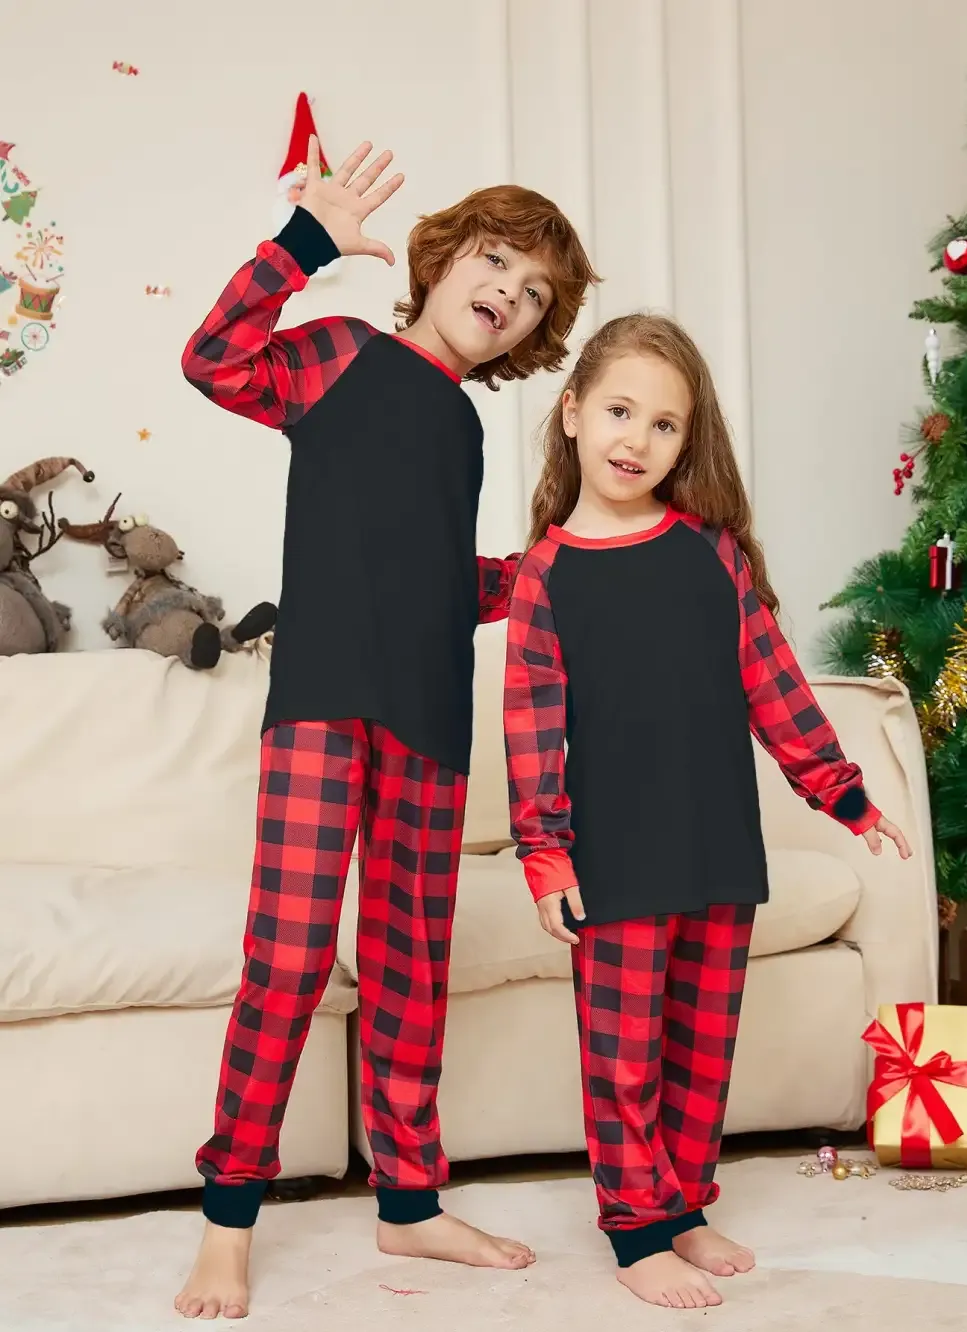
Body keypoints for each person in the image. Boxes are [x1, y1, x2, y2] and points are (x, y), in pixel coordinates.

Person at [174, 133, 598, 1320]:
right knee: (290, 962)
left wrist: (529, 578)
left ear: (531, 337)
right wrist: (303, 243)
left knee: (412, 969)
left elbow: (434, 581)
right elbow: (212, 359)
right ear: (443, 257)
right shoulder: (339, 355)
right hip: (321, 707)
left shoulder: (464, 428)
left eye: (532, 296)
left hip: (429, 723)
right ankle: (228, 1219)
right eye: (496, 261)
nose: (508, 294)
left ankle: (409, 1202)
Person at [503, 313, 912, 1311]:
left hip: (719, 842)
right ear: (571, 414)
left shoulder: (711, 554)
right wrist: (546, 856)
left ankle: (682, 1206)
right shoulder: (544, 578)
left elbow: (775, 687)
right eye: (619, 412)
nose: (636, 439)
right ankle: (636, 1229)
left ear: (689, 442)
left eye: (664, 424)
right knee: (623, 1054)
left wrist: (845, 794)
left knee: (700, 1047)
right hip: (617, 857)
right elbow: (531, 729)